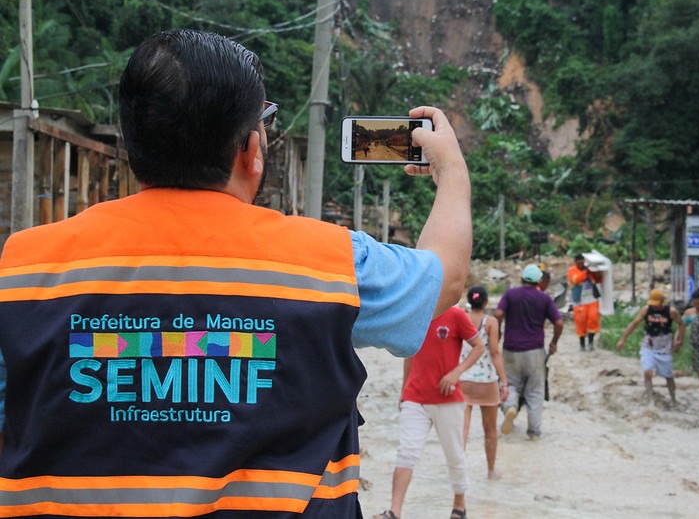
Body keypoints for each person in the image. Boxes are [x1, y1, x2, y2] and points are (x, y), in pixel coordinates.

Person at [0, 29, 473, 518]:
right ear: (251, 150)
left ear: (132, 143)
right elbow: (447, 276)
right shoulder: (332, 263)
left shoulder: (20, 269)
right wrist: (451, 170)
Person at [376, 307, 485, 519]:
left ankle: (459, 506)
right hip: (415, 398)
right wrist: (403, 391)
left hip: (448, 398)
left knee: (455, 454)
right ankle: (394, 511)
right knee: (407, 452)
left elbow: (479, 346)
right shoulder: (415, 312)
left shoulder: (456, 315)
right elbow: (408, 354)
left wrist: (456, 373)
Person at [495, 264, 563, 441]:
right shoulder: (544, 298)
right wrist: (554, 342)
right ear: (539, 281)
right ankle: (534, 433)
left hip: (510, 350)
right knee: (535, 392)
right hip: (535, 351)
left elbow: (498, 313)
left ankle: (510, 407)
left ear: (521, 279)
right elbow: (559, 323)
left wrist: (499, 332)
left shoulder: (510, 295)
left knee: (509, 384)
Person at [459, 286, 508, 480]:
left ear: (470, 302)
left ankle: (459, 470)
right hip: (487, 381)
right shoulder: (491, 322)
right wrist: (504, 382)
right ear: (486, 303)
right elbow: (495, 353)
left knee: (462, 430)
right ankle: (491, 471)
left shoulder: (461, 317)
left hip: (463, 379)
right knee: (490, 431)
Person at [616, 289, 686, 405]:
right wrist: (623, 338)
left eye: (656, 303)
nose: (655, 306)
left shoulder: (671, 312)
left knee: (668, 375)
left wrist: (679, 339)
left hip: (664, 346)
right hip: (648, 345)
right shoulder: (646, 310)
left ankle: (673, 398)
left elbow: (681, 324)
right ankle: (650, 399)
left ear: (662, 302)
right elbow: (634, 323)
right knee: (647, 372)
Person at [568, 253, 603, 351]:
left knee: (593, 320)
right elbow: (575, 280)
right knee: (580, 322)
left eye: (582, 263)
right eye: (579, 263)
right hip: (579, 301)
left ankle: (591, 343)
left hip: (592, 299)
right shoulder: (572, 271)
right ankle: (582, 344)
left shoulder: (590, 270)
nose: (581, 265)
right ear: (575, 263)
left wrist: (598, 272)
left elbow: (598, 280)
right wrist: (585, 272)